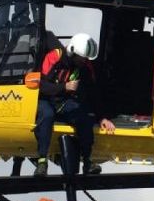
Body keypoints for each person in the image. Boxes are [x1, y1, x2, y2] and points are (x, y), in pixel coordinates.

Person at [33, 32, 115, 176]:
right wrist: (64, 87)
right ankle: (42, 161)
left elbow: (93, 93)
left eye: (86, 59)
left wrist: (102, 118)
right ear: (72, 52)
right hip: (45, 98)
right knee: (46, 116)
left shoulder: (85, 67)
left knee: (84, 118)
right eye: (82, 58)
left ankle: (87, 161)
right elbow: (40, 85)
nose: (84, 61)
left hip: (65, 102)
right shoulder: (55, 57)